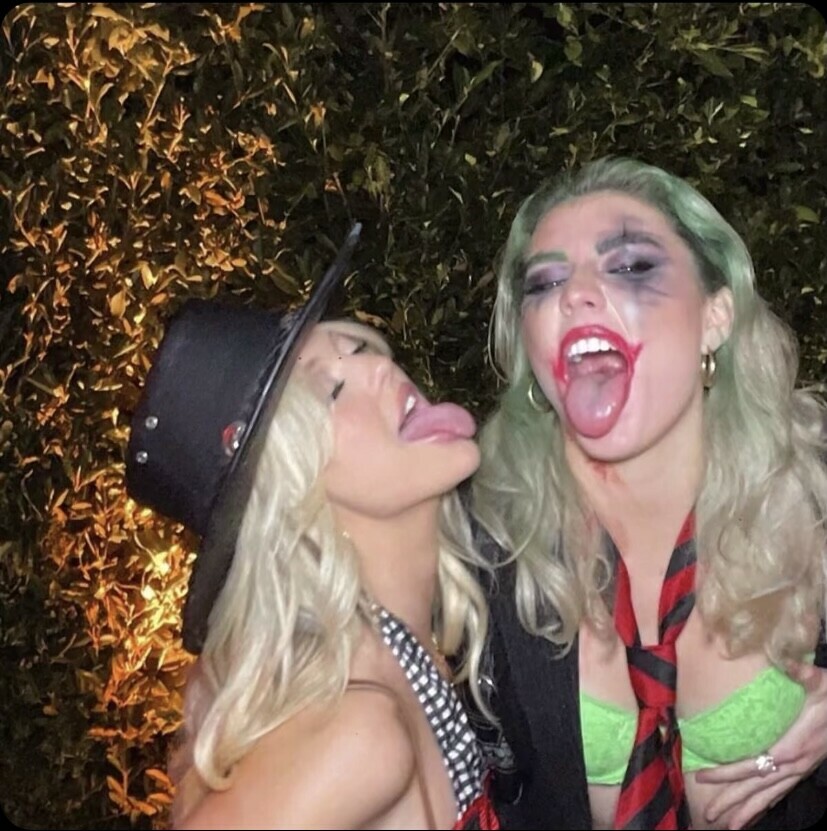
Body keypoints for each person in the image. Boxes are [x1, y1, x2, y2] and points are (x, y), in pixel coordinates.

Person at [467, 157, 827, 830]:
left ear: (715, 315)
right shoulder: (478, 539)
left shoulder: (811, 485)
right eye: (544, 282)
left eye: (631, 265)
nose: (575, 294)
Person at [124, 226, 500, 830]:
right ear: (292, 492)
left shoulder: (409, 647)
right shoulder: (358, 729)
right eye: (330, 392)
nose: (379, 366)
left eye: (356, 349)